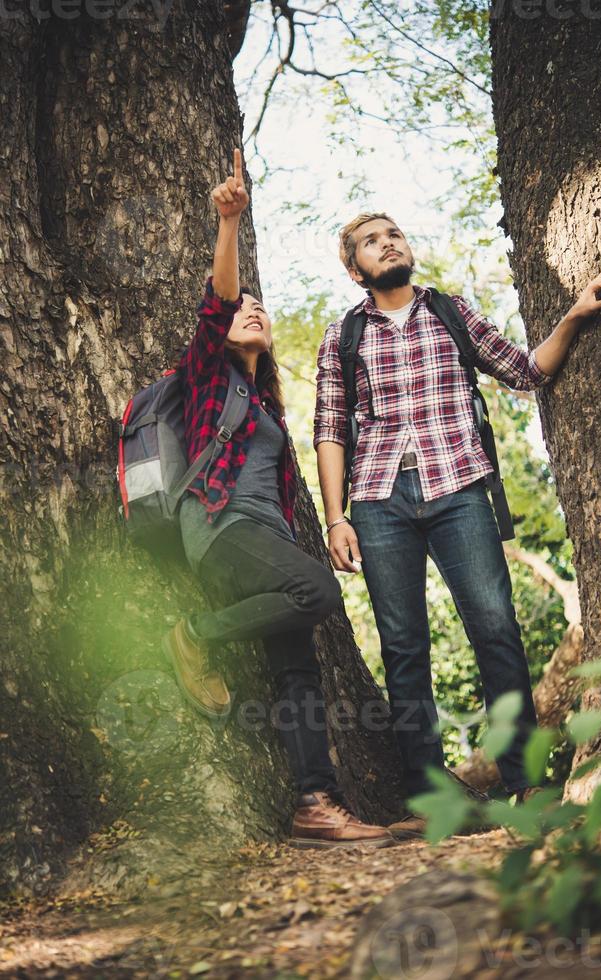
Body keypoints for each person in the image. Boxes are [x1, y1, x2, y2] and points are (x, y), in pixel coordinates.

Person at [314, 211, 601, 838]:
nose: (389, 242)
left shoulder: (449, 312)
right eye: (372, 242)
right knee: (404, 650)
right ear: (355, 270)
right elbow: (329, 431)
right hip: (378, 502)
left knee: (495, 629)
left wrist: (574, 313)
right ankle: (433, 802)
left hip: (459, 490)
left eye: (393, 233)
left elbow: (525, 371)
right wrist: (335, 518)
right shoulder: (341, 337)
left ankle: (525, 784)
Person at [164, 155, 394, 849]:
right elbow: (219, 297)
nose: (251, 314)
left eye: (260, 312)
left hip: (262, 539)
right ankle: (193, 636)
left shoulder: (265, 404)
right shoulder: (208, 373)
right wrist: (229, 221)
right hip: (220, 527)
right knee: (318, 591)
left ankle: (314, 804)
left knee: (298, 669)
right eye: (244, 313)